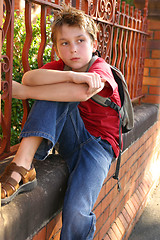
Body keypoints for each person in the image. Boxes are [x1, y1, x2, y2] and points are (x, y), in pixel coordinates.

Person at [0, 5, 121, 239]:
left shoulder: (100, 69)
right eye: (64, 43)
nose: (73, 49)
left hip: (99, 147)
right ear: (56, 48)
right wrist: (70, 74)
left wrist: (24, 92)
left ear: (94, 44)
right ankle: (21, 167)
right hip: (71, 138)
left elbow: (78, 93)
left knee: (76, 212)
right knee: (51, 90)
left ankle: (22, 169)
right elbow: (30, 77)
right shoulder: (64, 68)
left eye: (80, 40)